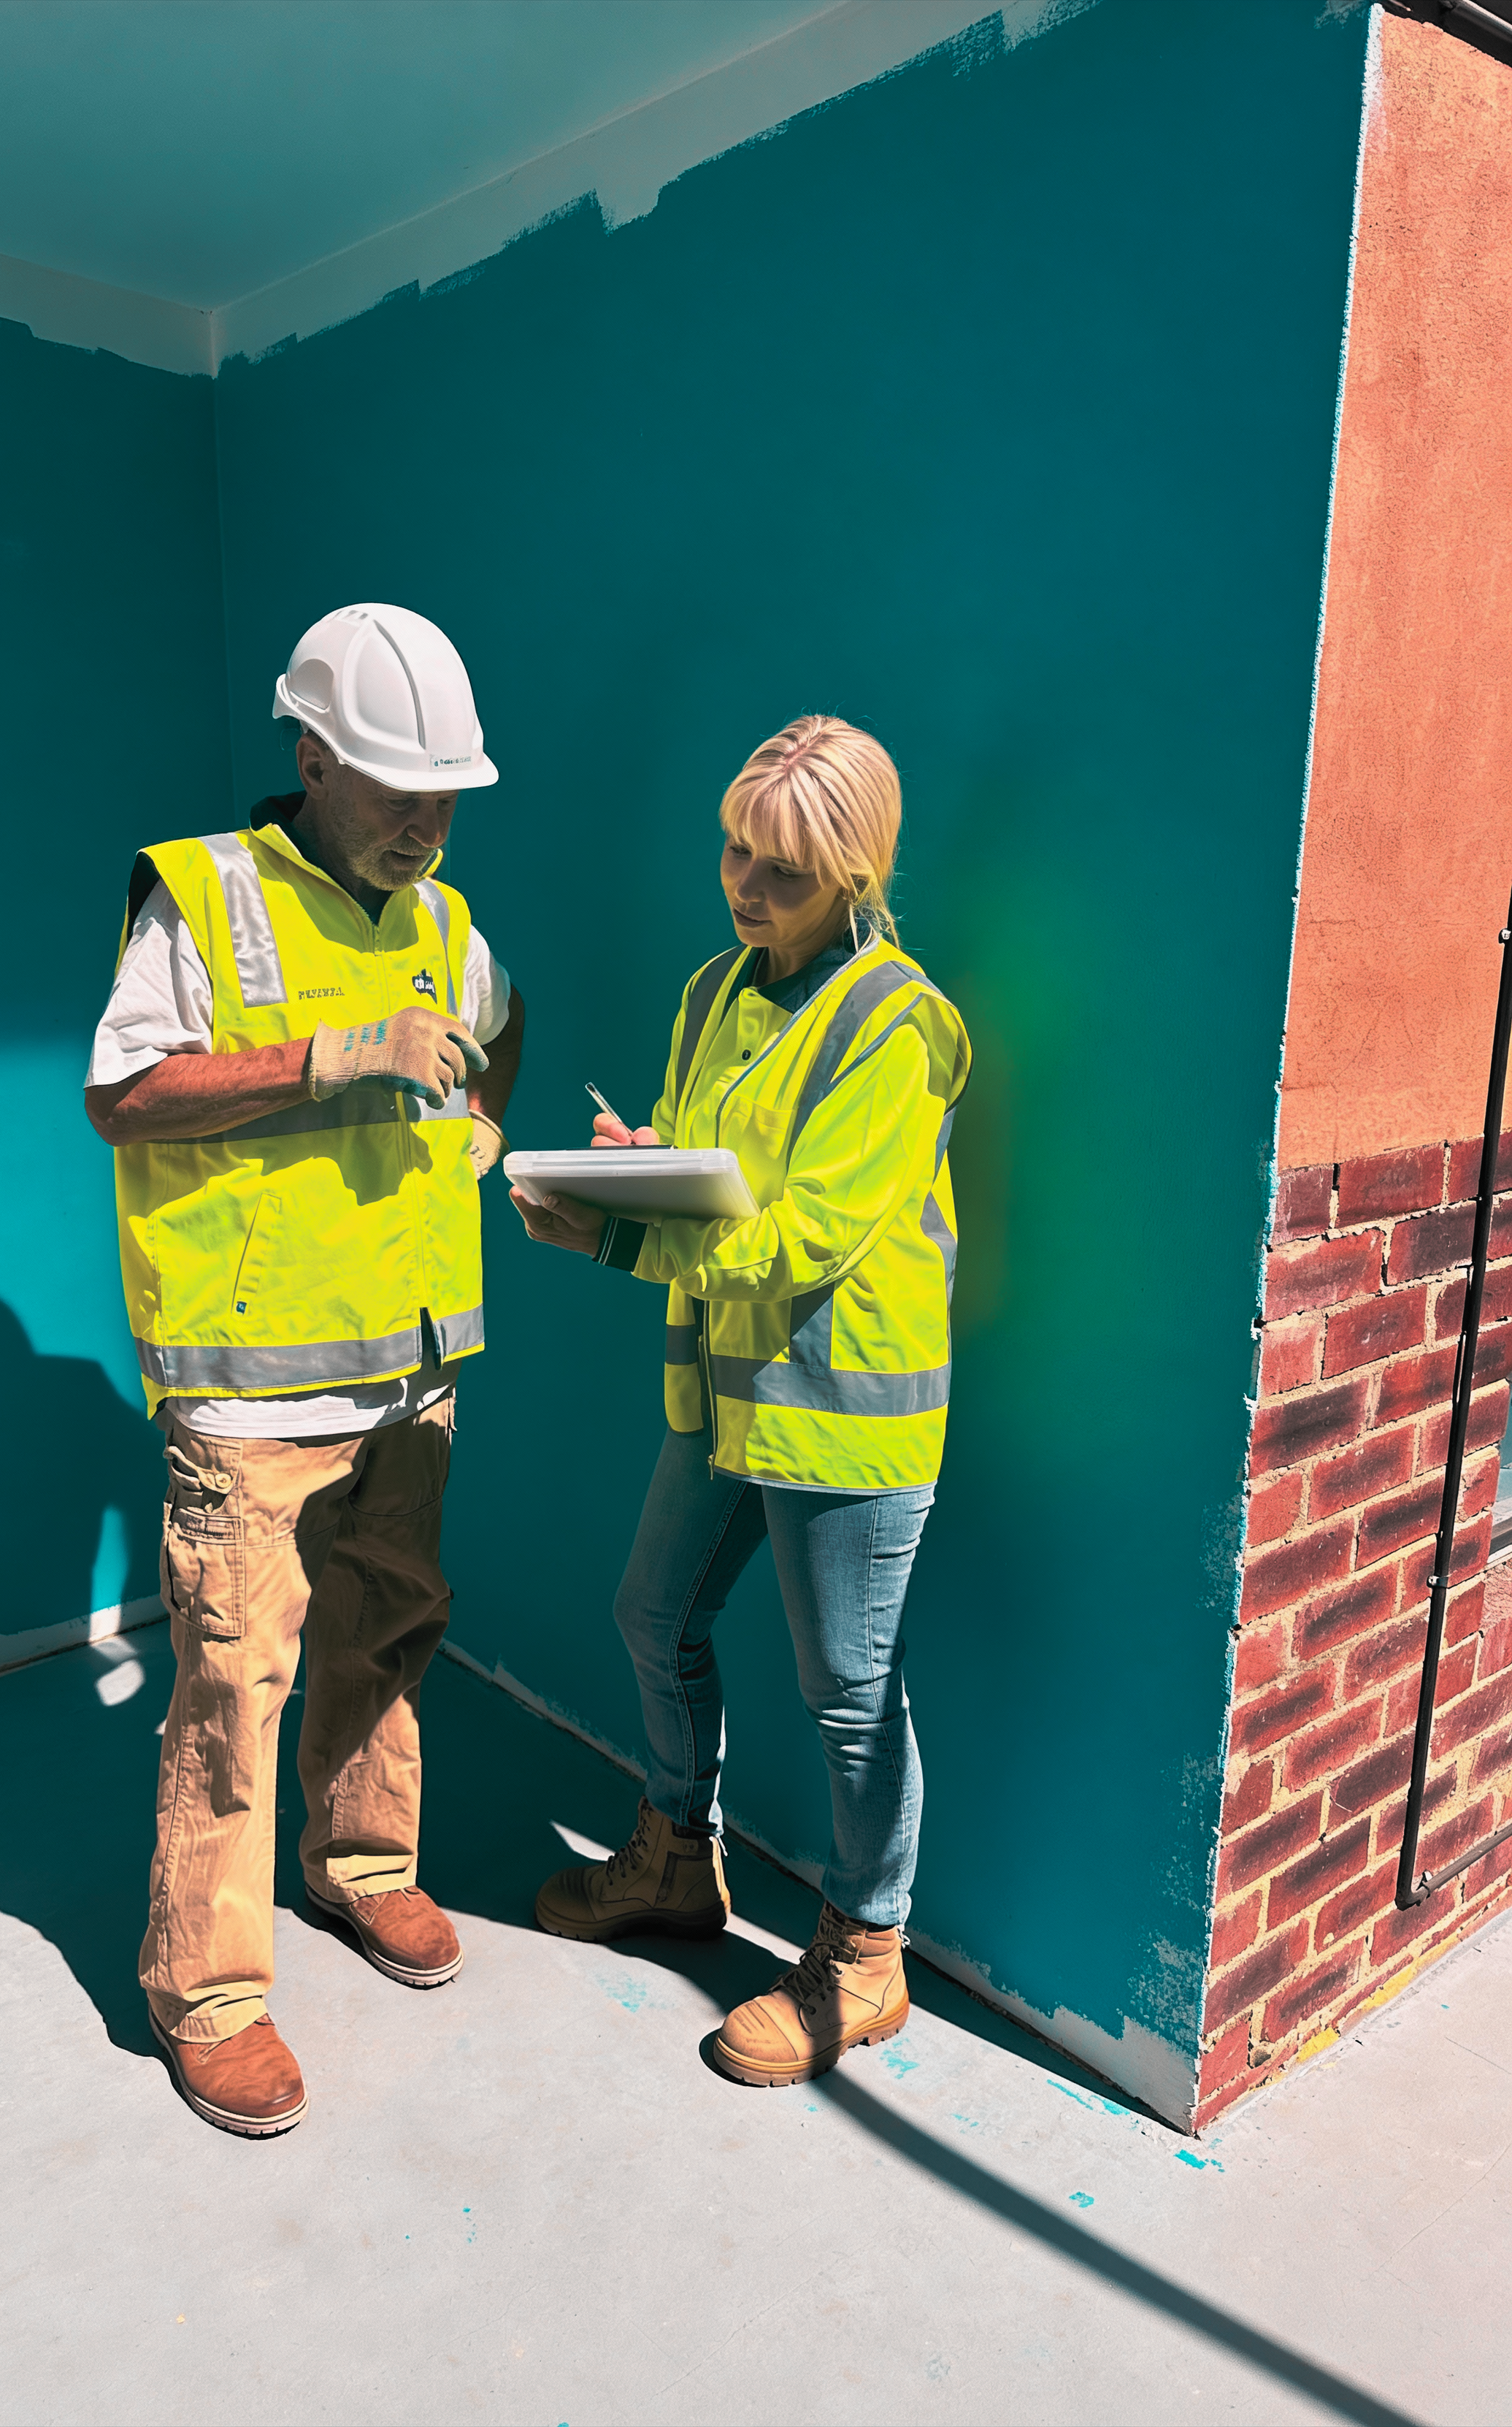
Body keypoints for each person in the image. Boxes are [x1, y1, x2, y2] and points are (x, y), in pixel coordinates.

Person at [84, 603, 525, 2137]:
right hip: (251, 1392)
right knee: (227, 1683)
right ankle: (203, 1995)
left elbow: (496, 1033)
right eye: (396, 788)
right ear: (310, 753)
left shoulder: (450, 925)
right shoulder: (205, 903)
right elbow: (124, 1097)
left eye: (444, 793)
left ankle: (364, 1869)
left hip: (407, 1371)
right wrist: (327, 1062)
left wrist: (480, 1125)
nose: (424, 822)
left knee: (390, 1629)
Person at [513, 716, 968, 2089]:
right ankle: (678, 1857)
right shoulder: (717, 988)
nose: (743, 885)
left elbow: (808, 1236)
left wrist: (618, 1236)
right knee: (652, 1613)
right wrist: (639, 1165)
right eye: (733, 848)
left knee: (851, 1699)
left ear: (854, 875)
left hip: (845, 1409)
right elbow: (726, 1170)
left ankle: (865, 1957)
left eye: (781, 868)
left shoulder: (905, 1024)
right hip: (728, 1391)